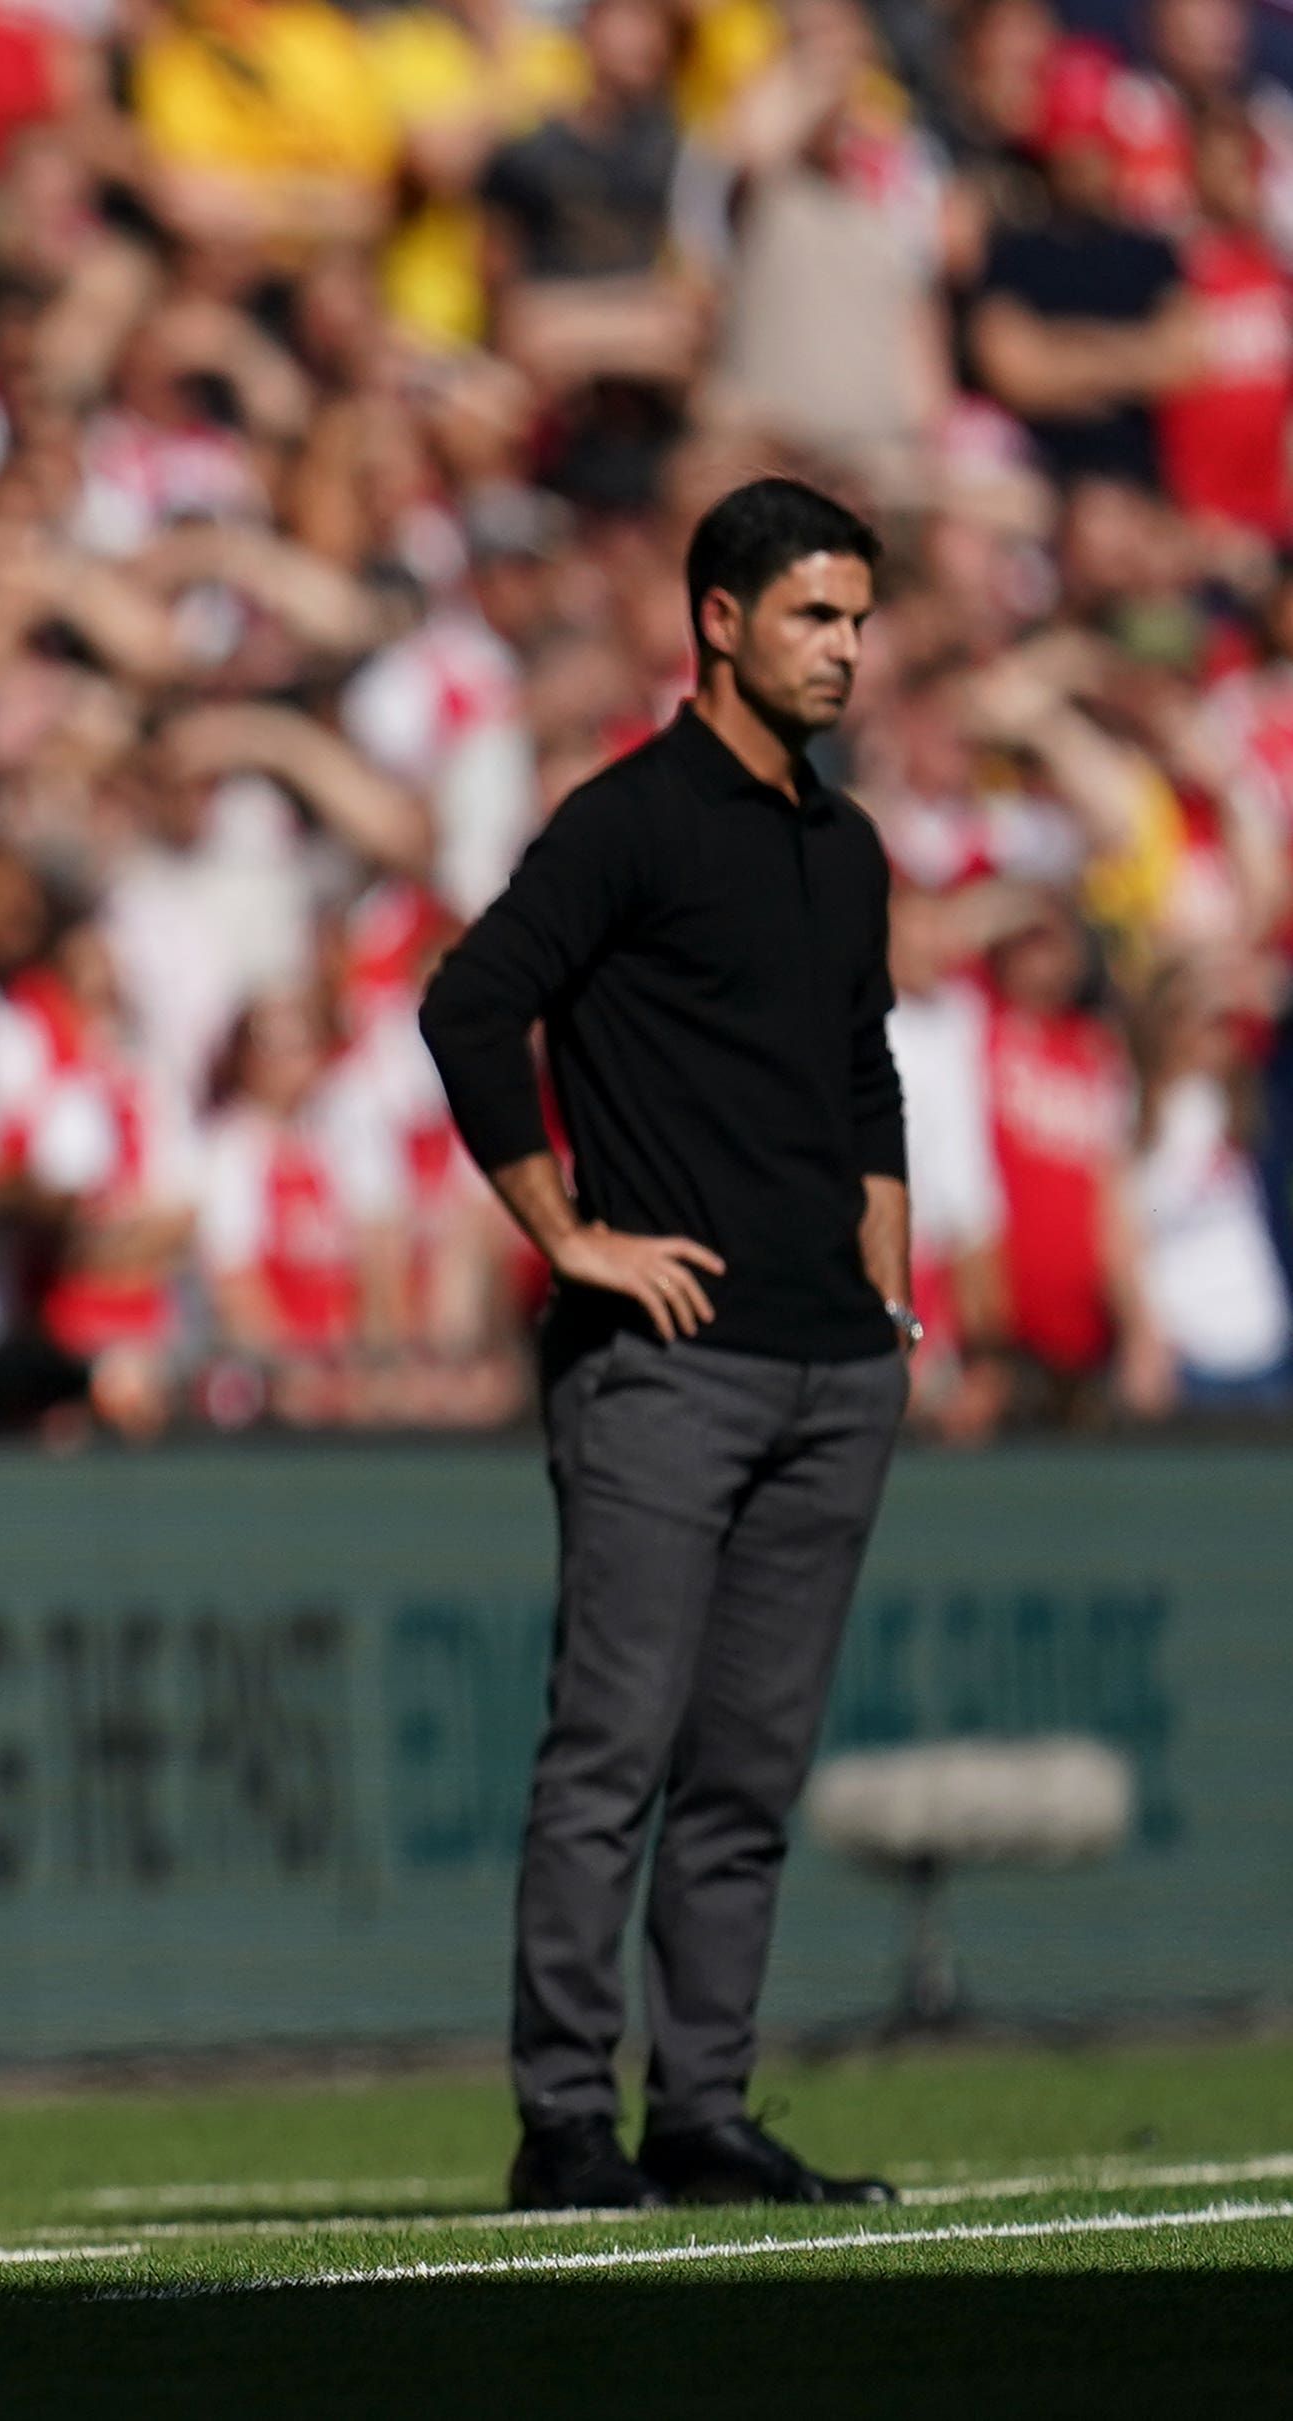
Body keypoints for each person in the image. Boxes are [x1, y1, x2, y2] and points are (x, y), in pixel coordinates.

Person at [420, 476, 912, 2212]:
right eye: (813, 616)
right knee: (613, 1747)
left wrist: (890, 1298)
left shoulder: (843, 848)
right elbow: (472, 1002)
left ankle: (701, 2105)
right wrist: (570, 1238)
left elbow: (864, 1079)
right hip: (667, 1364)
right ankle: (567, 2117)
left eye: (858, 618)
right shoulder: (627, 820)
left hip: (830, 1368)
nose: (847, 649)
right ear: (719, 618)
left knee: (749, 1771)